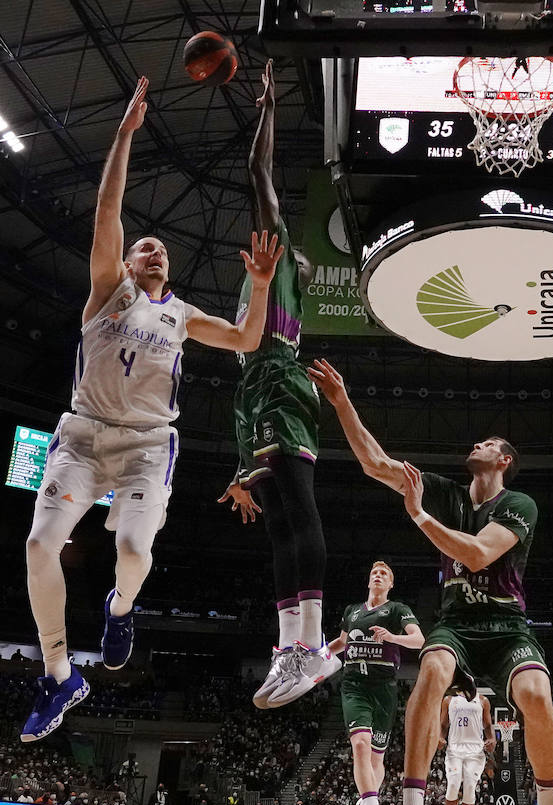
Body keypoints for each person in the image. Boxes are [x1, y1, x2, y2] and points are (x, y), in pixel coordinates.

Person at [21, 75, 285, 742]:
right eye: (145, 246)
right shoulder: (108, 290)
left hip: (144, 444)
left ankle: (121, 606)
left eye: (160, 249)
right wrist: (123, 136)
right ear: (127, 262)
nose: (155, 249)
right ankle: (58, 672)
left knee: (135, 547)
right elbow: (108, 211)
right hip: (81, 437)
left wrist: (257, 287)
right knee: (38, 543)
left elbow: (249, 339)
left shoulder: (184, 315)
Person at [307, 358, 553, 805]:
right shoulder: (444, 493)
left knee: (536, 692)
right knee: (430, 673)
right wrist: (341, 401)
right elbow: (376, 464)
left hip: (506, 624)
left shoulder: (520, 505)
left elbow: (478, 554)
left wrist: (419, 516)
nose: (476, 446)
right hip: (457, 624)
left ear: (505, 460)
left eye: (487, 444)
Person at [215, 60, 332, 710]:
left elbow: (257, 175)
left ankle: (311, 646)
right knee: (278, 527)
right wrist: (237, 464)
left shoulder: (276, 250)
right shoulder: (255, 285)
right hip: (255, 394)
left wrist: (267, 109)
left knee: (298, 509)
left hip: (283, 383)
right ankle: (290, 648)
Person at [328, 561, 424, 805]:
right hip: (354, 685)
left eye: (384, 574)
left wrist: (391, 636)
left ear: (390, 584)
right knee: (360, 745)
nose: (378, 575)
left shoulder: (397, 609)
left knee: (377, 759)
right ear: (369, 581)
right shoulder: (352, 611)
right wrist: (313, 654)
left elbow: (418, 640)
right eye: (374, 573)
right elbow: (341, 644)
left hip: (383, 688)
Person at [434, 672, 494, 805]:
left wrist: (492, 739)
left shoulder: (482, 700)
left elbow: (488, 725)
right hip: (454, 750)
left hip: (475, 752)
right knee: (452, 785)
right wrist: (439, 737)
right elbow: (443, 724)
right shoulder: (448, 700)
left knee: (469, 788)